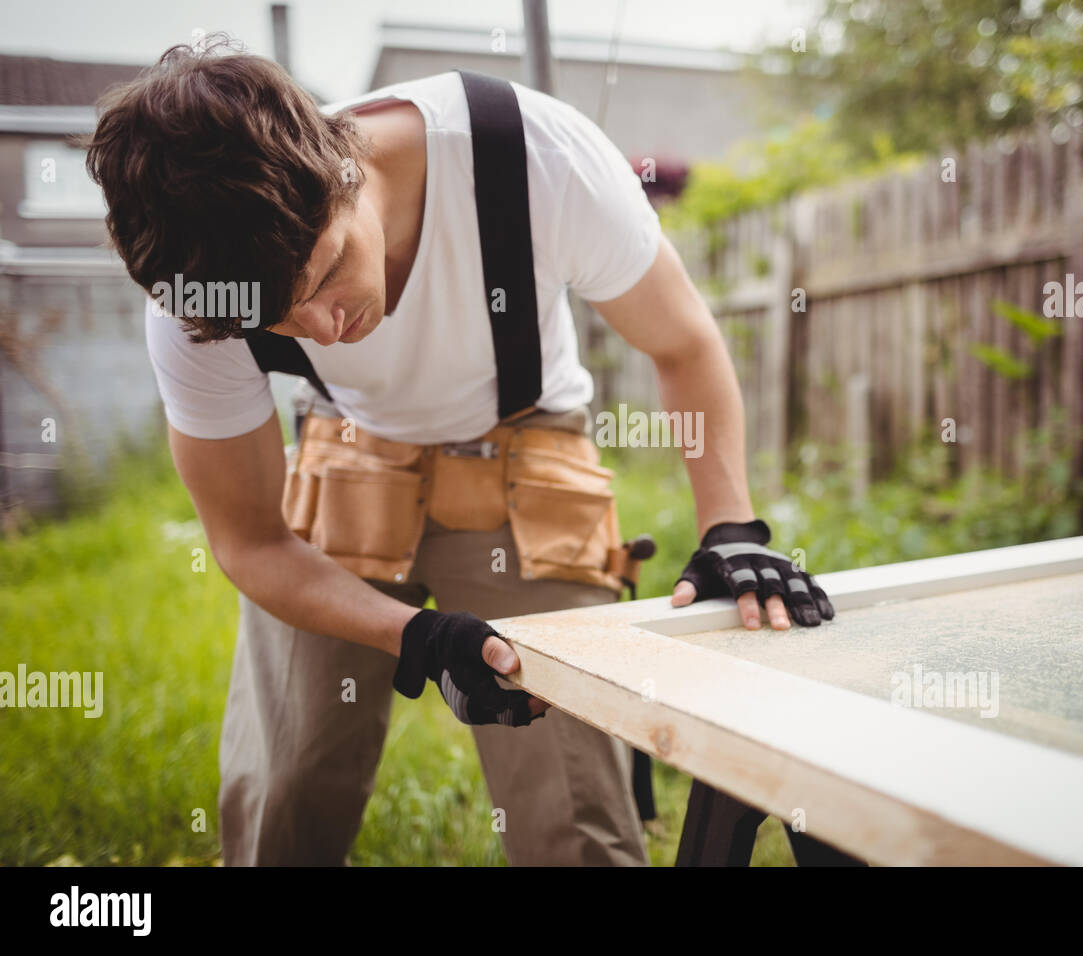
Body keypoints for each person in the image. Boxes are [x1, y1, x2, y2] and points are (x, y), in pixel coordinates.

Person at [84, 35, 834, 867]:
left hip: (528, 452)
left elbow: (684, 342)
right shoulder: (197, 304)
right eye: (279, 321)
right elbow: (252, 541)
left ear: (344, 166)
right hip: (350, 456)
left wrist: (730, 525)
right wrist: (419, 636)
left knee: (570, 813)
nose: (322, 328)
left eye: (327, 272)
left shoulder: (532, 155)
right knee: (285, 785)